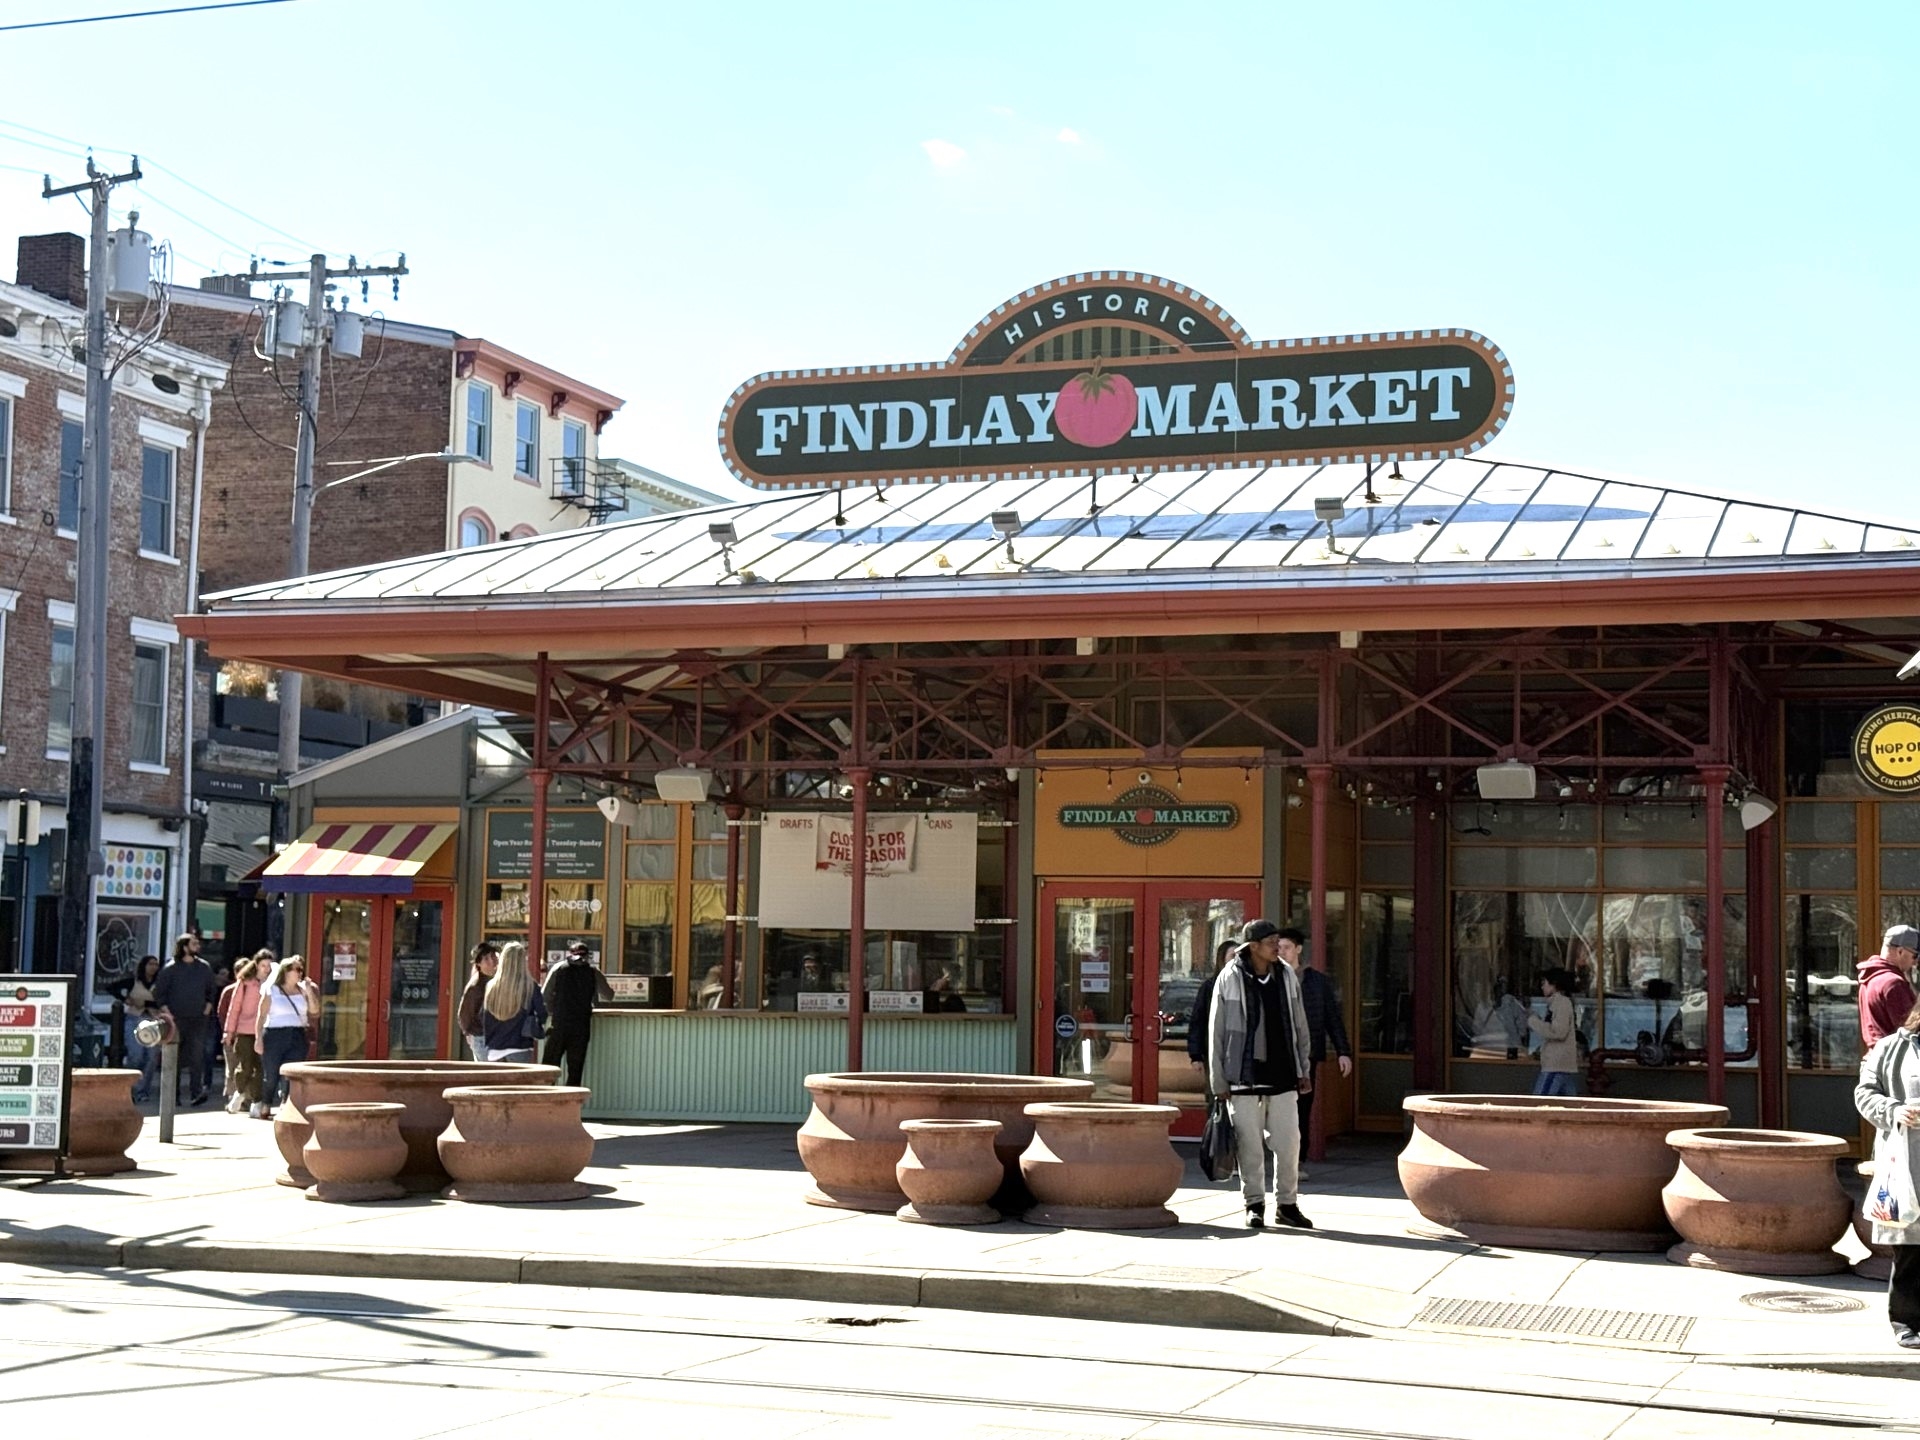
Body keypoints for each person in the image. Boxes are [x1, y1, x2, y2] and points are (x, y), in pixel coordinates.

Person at [1205, 918, 1313, 1231]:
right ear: (1253, 946)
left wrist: (1303, 1068)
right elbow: (1217, 1031)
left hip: (1283, 1075)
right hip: (1242, 1076)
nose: (1277, 947)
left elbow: (1300, 1024)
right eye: (1271, 943)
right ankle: (1254, 1204)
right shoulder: (1230, 977)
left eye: (1279, 942)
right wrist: (1218, 1081)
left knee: (1289, 1143)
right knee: (1249, 1148)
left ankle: (1287, 1205)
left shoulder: (1286, 975)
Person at [1853, 996, 1920, 1350]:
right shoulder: (1891, 1048)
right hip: (1908, 1162)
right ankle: (1906, 1320)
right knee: (1910, 1248)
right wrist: (1894, 1109)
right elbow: (1864, 1093)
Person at [1275, 927, 1352, 1181]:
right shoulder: (1271, 977)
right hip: (1278, 1054)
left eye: (1286, 947)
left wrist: (1343, 1051)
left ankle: (1296, 1162)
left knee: (1301, 1109)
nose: (1282, 952)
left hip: (1307, 1057)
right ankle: (1275, 1159)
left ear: (1298, 949)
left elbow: (1332, 1018)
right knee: (1276, 1110)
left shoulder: (1317, 981)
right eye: (1279, 947)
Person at [153, 933, 218, 1107]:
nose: (197, 946)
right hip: (177, 1019)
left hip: (198, 1019)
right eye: (194, 943)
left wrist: (208, 1007)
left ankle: (196, 1093)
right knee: (174, 1057)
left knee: (197, 1056)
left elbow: (211, 990)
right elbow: (160, 994)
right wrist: (167, 1012)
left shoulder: (204, 967)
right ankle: (172, 1095)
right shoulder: (170, 969)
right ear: (184, 947)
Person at [542, 939, 613, 1085]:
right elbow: (609, 995)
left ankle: (546, 1102)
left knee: (548, 1069)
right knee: (575, 1071)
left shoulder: (559, 968)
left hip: (559, 1025)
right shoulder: (593, 972)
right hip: (581, 1028)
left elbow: (544, 995)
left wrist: (553, 1009)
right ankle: (570, 1106)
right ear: (588, 956)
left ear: (569, 954)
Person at [253, 955, 315, 1119]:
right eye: (297, 970)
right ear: (286, 972)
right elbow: (261, 1015)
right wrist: (258, 1038)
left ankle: (285, 1104)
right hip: (274, 1034)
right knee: (272, 1074)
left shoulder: (302, 990)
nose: (300, 973)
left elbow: (315, 1011)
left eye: (301, 970)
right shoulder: (271, 990)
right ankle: (266, 1103)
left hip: (296, 1034)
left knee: (290, 1073)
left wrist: (310, 992)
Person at [220, 951, 271, 1114]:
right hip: (245, 1030)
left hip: (264, 1030)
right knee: (245, 1067)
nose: (266, 969)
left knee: (260, 1069)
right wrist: (229, 1032)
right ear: (256, 965)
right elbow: (234, 1009)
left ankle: (256, 1101)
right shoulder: (245, 983)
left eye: (269, 966)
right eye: (263, 965)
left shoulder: (272, 984)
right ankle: (240, 1092)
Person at [481, 940, 546, 1063]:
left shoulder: (491, 986)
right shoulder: (530, 986)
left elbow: (483, 1017)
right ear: (522, 962)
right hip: (520, 1047)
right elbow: (542, 1014)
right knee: (521, 1083)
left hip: (495, 1049)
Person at [1861, 924, 1920, 1049]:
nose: (1915, 962)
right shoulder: (1893, 983)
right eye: (1914, 956)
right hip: (1894, 1062)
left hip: (1874, 1059)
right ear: (1900, 951)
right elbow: (1911, 1030)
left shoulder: (1870, 976)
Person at [1528, 967, 1580, 1096]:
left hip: (1556, 1065)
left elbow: (1558, 1032)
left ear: (1553, 985)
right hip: (1560, 1064)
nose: (1542, 987)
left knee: (1539, 1105)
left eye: (1544, 983)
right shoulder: (1558, 1003)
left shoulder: (1562, 1003)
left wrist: (1533, 1021)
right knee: (1568, 1108)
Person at [125, 954, 163, 1102]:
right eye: (150, 964)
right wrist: (127, 1000)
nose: (153, 967)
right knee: (136, 1055)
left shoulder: (160, 982)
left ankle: (142, 1091)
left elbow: (162, 999)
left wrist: (148, 1005)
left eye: (156, 964)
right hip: (135, 1019)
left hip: (153, 1020)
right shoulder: (134, 981)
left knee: (151, 1058)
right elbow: (113, 988)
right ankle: (130, 1088)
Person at [457, 942, 500, 1061]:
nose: (492, 961)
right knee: (490, 1075)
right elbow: (463, 1014)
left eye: (493, 956)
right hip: (481, 1038)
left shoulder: (497, 980)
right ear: (478, 964)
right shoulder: (475, 986)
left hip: (494, 1036)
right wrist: (468, 1033)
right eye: (486, 959)